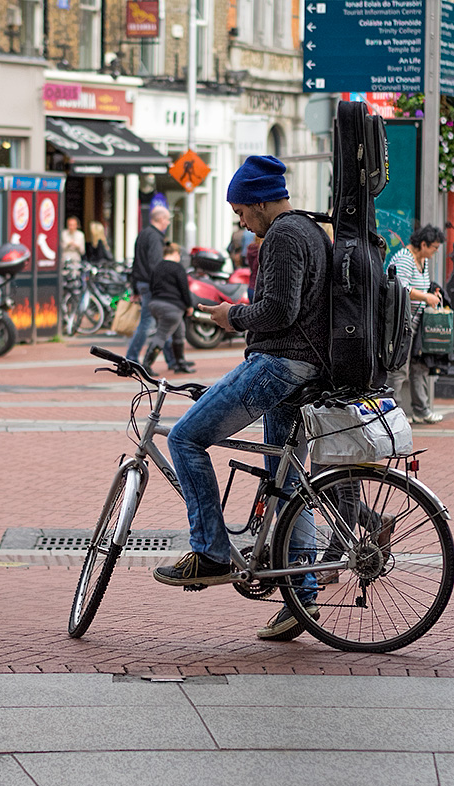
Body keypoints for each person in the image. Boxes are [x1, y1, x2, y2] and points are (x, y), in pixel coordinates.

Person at [153, 155, 329, 641]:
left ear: (260, 202)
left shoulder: (284, 236)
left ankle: (209, 553)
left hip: (279, 366)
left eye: (241, 212)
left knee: (185, 439)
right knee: (289, 484)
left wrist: (234, 316)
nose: (242, 224)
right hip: (305, 367)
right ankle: (302, 599)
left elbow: (279, 310)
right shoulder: (310, 230)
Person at [386, 225, 446, 425]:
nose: (435, 252)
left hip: (417, 324)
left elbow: (421, 285)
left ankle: (421, 409)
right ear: (423, 244)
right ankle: (391, 412)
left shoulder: (423, 261)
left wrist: (432, 292)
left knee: (419, 366)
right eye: (434, 248)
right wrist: (426, 297)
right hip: (402, 324)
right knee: (399, 369)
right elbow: (401, 287)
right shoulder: (404, 259)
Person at [125, 206, 179, 371]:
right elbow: (155, 265)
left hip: (142, 283)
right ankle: (131, 359)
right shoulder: (155, 238)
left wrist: (135, 288)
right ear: (161, 219)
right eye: (167, 219)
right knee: (149, 322)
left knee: (160, 321)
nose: (168, 223)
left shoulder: (143, 234)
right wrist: (163, 286)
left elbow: (136, 262)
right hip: (151, 285)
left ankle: (173, 360)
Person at [141, 242, 195, 375]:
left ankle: (180, 363)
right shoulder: (177, 268)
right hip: (172, 306)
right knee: (161, 335)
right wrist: (189, 305)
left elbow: (152, 286)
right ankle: (146, 365)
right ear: (175, 254)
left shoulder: (157, 267)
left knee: (179, 332)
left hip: (156, 304)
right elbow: (184, 289)